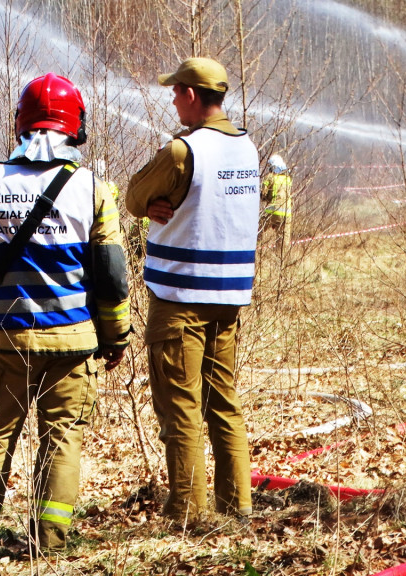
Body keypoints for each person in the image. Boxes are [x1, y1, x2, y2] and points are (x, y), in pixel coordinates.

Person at [0, 73, 131, 561]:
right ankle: (45, 548)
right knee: (61, 443)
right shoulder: (93, 189)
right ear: (76, 128)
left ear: (21, 123)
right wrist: (116, 337)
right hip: (73, 346)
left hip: (7, 344)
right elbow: (111, 279)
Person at [124, 57, 259, 523]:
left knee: (179, 405)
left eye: (176, 91)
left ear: (192, 95)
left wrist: (155, 204)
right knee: (224, 402)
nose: (172, 99)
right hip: (230, 299)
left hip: (180, 302)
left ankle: (187, 512)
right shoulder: (247, 148)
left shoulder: (183, 151)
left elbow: (133, 197)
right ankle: (237, 505)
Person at [261, 154, 293, 248]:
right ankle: (281, 259)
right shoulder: (288, 178)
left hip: (272, 210)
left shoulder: (270, 176)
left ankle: (256, 252)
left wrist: (263, 197)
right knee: (283, 242)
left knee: (257, 230)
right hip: (287, 212)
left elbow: (263, 192)